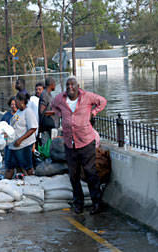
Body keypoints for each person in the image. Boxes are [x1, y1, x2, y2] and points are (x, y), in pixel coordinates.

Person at [51, 75, 107, 215]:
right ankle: (78, 203)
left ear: (77, 86)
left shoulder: (87, 96)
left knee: (90, 173)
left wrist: (93, 113)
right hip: (70, 143)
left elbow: (102, 101)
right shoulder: (60, 99)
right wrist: (60, 114)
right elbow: (53, 106)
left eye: (73, 84)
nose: (70, 87)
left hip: (86, 141)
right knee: (73, 175)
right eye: (68, 84)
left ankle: (97, 203)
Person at [5, 92, 38, 179]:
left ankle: (33, 183)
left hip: (23, 145)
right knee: (9, 167)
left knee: (27, 167)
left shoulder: (28, 112)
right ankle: (5, 184)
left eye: (16, 102)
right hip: (12, 145)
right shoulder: (18, 112)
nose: (15, 104)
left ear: (22, 101)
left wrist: (20, 140)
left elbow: (33, 128)